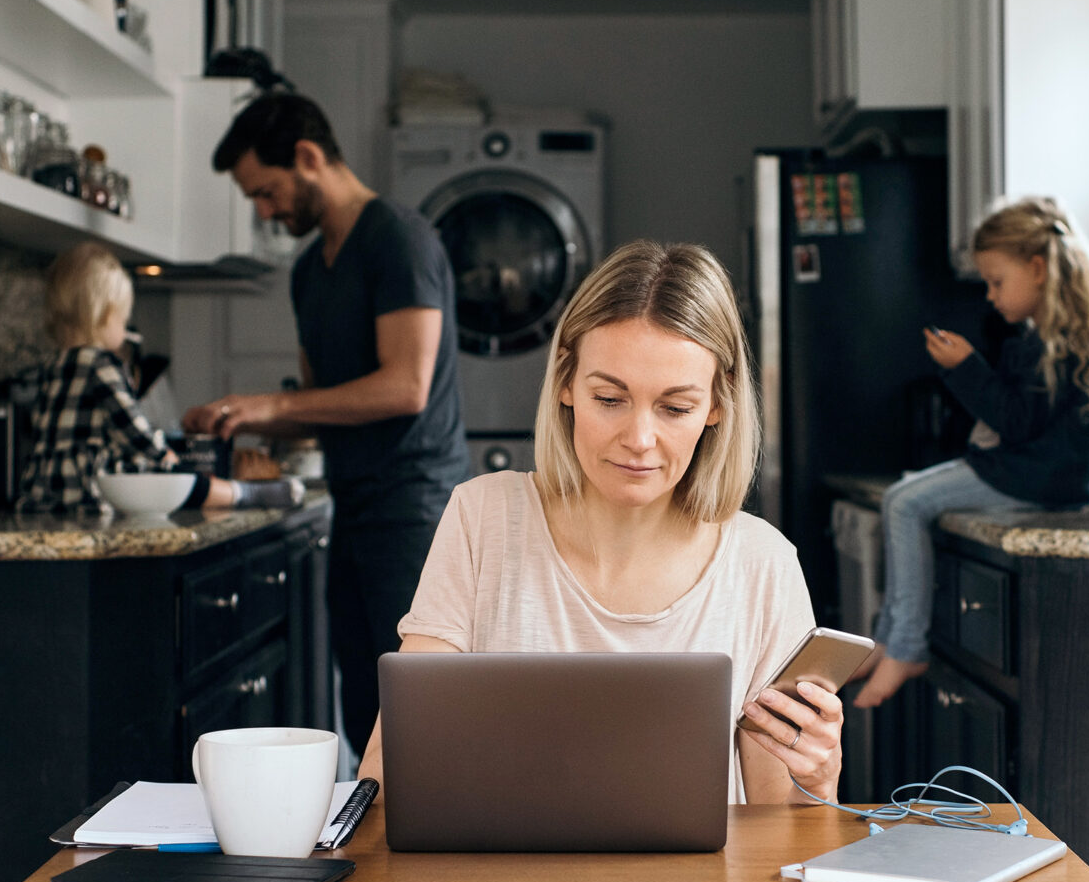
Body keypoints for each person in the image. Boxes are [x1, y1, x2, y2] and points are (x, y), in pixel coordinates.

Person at [358, 241, 843, 805]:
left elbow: (778, 831)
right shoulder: (482, 518)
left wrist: (817, 780)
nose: (638, 440)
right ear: (566, 382)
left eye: (675, 408)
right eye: (610, 398)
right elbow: (389, 774)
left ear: (718, 405)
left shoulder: (764, 564)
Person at [183, 93, 467, 755]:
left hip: (415, 511)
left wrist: (270, 405)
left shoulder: (398, 238)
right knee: (365, 703)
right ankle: (377, 853)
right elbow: (323, 403)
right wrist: (238, 416)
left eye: (267, 190)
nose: (263, 210)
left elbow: (405, 386)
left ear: (308, 158)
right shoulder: (310, 270)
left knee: (418, 711)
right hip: (354, 506)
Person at [854, 197, 1089, 708]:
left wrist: (967, 366)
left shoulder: (1047, 345)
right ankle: (890, 637)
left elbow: (1014, 422)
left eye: (996, 280)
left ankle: (903, 645)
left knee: (904, 502)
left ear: (1038, 269)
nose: (990, 296)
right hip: (1046, 481)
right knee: (907, 496)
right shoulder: (1069, 340)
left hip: (1028, 478)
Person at [17, 242, 299, 514]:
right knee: (179, 479)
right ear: (104, 317)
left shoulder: (51, 364)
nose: (125, 330)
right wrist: (163, 454)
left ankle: (241, 492)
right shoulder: (101, 364)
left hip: (45, 491)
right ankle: (244, 494)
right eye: (123, 321)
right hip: (93, 489)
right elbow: (131, 427)